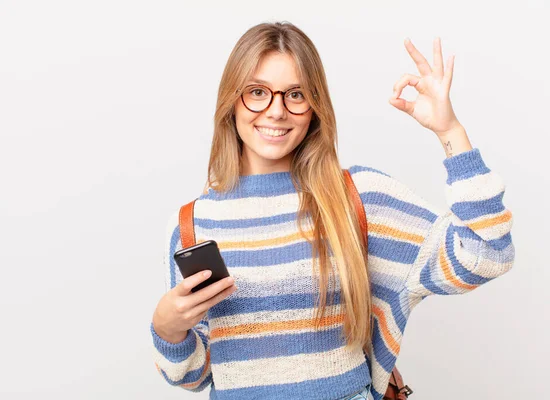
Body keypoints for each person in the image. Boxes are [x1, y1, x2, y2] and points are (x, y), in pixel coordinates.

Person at [149, 21, 515, 400]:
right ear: (231, 100)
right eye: (257, 92)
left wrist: (450, 131)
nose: (276, 111)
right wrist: (167, 329)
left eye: (295, 94)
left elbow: (486, 254)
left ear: (315, 107)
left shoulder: (357, 198)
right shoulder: (194, 224)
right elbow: (195, 376)